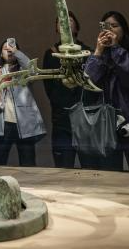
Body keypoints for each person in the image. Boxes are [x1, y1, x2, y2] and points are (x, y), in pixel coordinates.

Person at [84, 11, 129, 172]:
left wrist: (116, 48)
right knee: (111, 176)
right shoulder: (99, 56)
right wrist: (98, 52)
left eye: (114, 25)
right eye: (106, 26)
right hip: (106, 124)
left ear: (124, 29)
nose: (110, 29)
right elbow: (88, 83)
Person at [0, 39, 45, 166]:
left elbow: (34, 71)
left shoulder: (23, 71)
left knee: (28, 162)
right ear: (1, 54)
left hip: (24, 123)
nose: (9, 50)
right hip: (4, 122)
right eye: (5, 48)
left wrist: (17, 53)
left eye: (12, 48)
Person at [41, 11, 86, 168]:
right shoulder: (51, 54)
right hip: (61, 118)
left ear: (77, 27)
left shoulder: (87, 51)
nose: (65, 23)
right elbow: (49, 87)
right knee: (63, 167)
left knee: (90, 165)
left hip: (84, 118)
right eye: (60, 21)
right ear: (56, 28)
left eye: (69, 20)